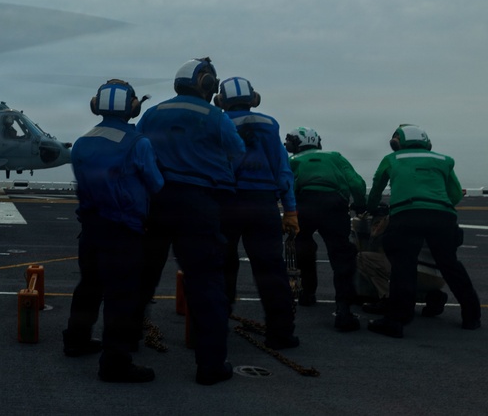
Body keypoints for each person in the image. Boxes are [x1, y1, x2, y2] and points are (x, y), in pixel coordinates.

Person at [137, 57, 245, 386]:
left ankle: (122, 351)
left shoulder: (151, 113)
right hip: (200, 205)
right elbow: (237, 152)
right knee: (206, 284)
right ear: (208, 85)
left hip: (156, 201)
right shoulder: (215, 116)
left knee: (141, 280)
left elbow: (136, 151)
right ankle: (210, 365)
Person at [63, 80, 164, 383]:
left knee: (88, 288)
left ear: (96, 105)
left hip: (91, 229)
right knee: (122, 297)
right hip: (124, 231)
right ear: (133, 107)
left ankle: (76, 341)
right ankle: (115, 363)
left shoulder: (82, 142)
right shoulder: (138, 143)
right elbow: (156, 184)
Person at [365, 125, 481, 338]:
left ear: (397, 142)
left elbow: (376, 189)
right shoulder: (443, 160)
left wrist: (371, 207)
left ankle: (397, 321)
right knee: (450, 265)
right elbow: (454, 194)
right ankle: (471, 316)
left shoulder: (392, 159)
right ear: (427, 143)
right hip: (442, 217)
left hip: (406, 215)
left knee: (403, 267)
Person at [214, 77, 299, 349]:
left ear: (221, 101)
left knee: (222, 267)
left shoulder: (216, 122)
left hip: (225, 203)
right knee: (271, 270)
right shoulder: (269, 124)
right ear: (254, 99)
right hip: (262, 205)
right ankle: (281, 333)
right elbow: (282, 170)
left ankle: (214, 327)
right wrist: (291, 210)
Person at [285, 127, 366, 331]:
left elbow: (285, 186)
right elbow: (356, 182)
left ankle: (307, 292)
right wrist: (362, 204)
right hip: (334, 205)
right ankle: (344, 309)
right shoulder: (335, 156)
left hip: (304, 204)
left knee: (303, 246)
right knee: (341, 255)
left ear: (296, 144)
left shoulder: (293, 161)